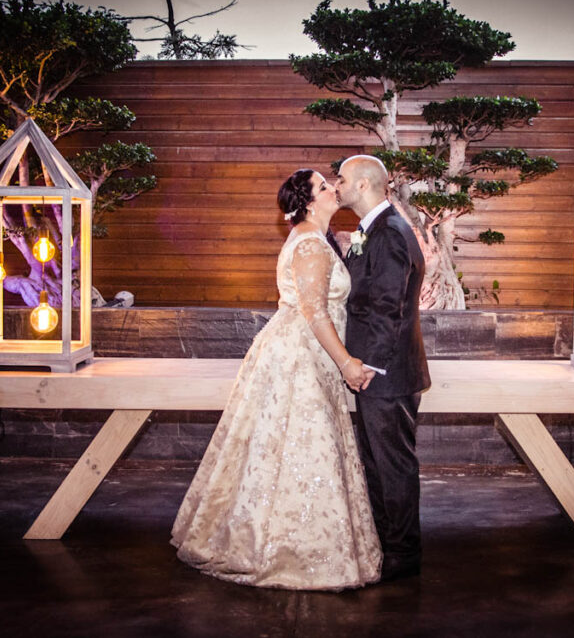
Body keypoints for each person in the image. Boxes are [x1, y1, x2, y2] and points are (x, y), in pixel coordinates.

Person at [171, 168, 382, 591]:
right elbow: (315, 312)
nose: (333, 189)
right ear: (308, 202)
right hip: (300, 356)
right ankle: (289, 551)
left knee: (292, 446)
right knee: (303, 440)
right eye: (324, 186)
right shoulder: (310, 244)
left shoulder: (314, 237)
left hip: (305, 351)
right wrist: (346, 363)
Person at [335, 155, 431, 582]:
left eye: (341, 179)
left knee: (393, 466)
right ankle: (384, 543)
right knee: (376, 463)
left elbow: (388, 306)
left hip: (386, 373)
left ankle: (403, 554)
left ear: (362, 185)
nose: (336, 186)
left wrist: (368, 365)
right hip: (380, 372)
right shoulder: (373, 228)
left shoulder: (389, 232)